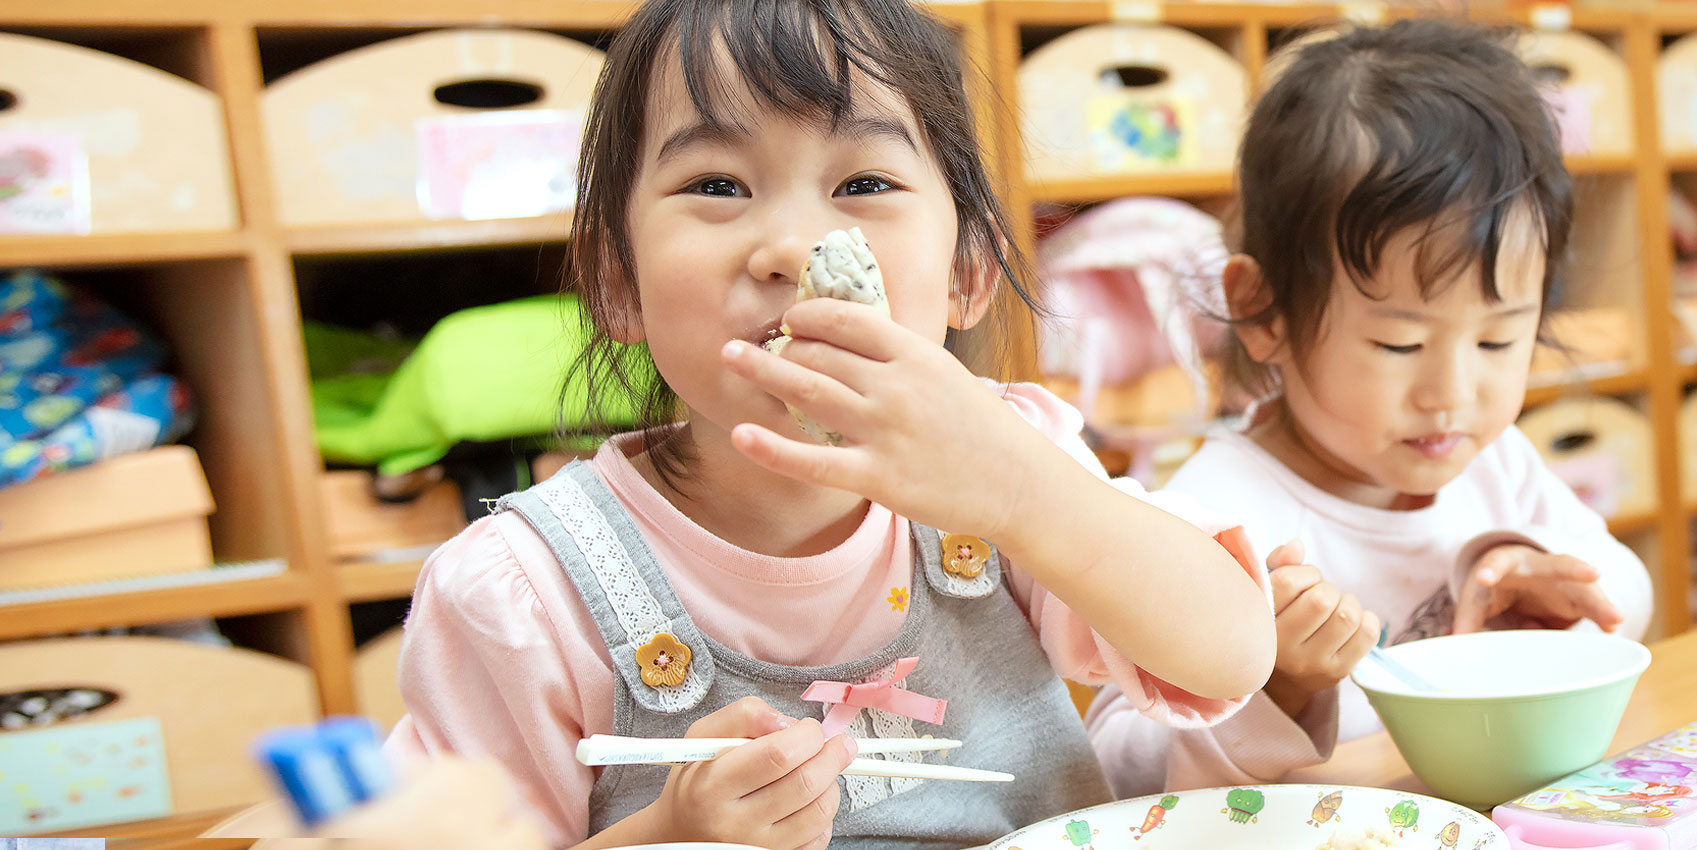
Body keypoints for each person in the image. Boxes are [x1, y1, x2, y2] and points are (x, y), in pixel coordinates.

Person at [384, 1, 1277, 848]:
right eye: (718, 184)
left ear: (968, 269)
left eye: (865, 181)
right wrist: (672, 835)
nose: (796, 249)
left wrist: (1019, 492)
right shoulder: (521, 591)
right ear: (618, 280)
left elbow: (1227, 656)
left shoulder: (1010, 464)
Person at [1087, 18, 1655, 796]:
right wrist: (1275, 685)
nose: (1451, 395)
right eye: (1398, 345)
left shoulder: (1497, 467)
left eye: (1497, 343)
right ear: (1263, 314)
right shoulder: (1214, 520)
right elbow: (1112, 765)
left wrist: (1548, 583)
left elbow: (1630, 592)